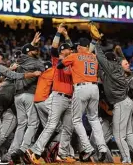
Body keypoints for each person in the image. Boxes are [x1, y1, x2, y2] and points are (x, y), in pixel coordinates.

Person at [92, 26, 133, 165]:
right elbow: (105, 67)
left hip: (121, 103)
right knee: (129, 134)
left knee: (119, 135)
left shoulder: (112, 69)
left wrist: (96, 41)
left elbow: (101, 58)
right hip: (126, 102)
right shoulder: (117, 69)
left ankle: (126, 159)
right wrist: (119, 53)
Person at [27, 25, 75, 164]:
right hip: (58, 96)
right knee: (52, 125)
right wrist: (58, 34)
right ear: (63, 51)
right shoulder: (57, 61)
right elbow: (54, 48)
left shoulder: (72, 62)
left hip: (70, 99)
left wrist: (67, 36)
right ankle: (35, 151)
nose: (70, 50)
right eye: (67, 48)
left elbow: (73, 50)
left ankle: (61, 154)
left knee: (68, 128)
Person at [57, 37, 108, 162]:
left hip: (81, 88)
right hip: (95, 88)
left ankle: (88, 147)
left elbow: (59, 66)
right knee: (94, 119)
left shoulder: (74, 56)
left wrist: (67, 59)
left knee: (76, 120)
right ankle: (102, 149)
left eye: (78, 46)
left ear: (80, 47)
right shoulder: (94, 57)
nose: (77, 47)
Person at [10, 32, 45, 164]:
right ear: (29, 52)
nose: (36, 50)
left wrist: (32, 43)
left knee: (21, 124)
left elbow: (25, 52)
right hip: (29, 94)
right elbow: (45, 71)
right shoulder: (35, 61)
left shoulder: (21, 59)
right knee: (33, 123)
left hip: (18, 96)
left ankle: (15, 150)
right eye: (34, 49)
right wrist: (32, 43)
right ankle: (23, 149)